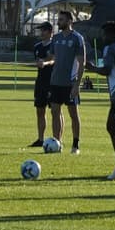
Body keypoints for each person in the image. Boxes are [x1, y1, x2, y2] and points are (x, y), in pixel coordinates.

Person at [49, 9, 86, 153]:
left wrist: (77, 84)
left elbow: (82, 62)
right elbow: (51, 58)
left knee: (73, 114)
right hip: (55, 81)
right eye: (59, 19)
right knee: (55, 112)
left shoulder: (77, 38)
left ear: (70, 21)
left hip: (70, 83)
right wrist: (43, 62)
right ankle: (57, 142)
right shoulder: (56, 38)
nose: (59, 22)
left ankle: (75, 145)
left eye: (62, 20)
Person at [28, 21, 54, 146]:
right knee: (40, 110)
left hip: (53, 82)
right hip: (40, 82)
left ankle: (56, 139)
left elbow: (53, 59)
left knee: (55, 110)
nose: (41, 33)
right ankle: (40, 139)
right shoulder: (37, 47)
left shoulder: (54, 45)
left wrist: (45, 62)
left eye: (44, 30)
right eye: (41, 30)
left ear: (50, 32)